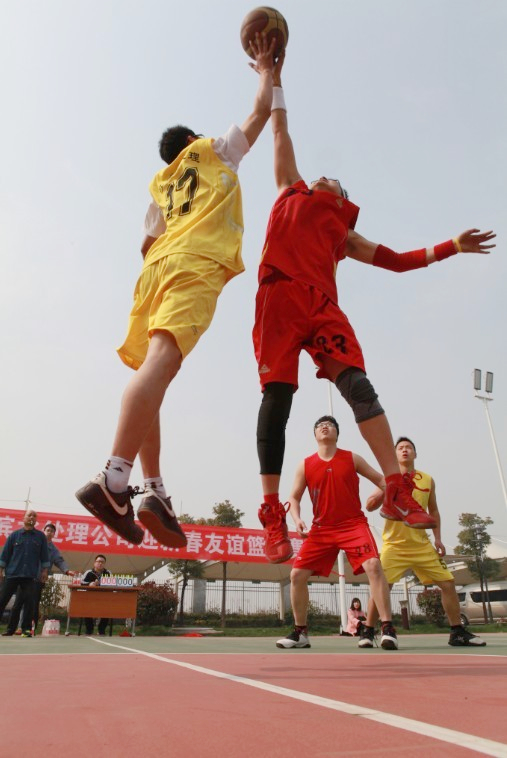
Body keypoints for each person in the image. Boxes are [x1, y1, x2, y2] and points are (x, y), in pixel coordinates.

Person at [254, 59, 496, 564]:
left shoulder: (344, 233)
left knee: (359, 388)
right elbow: (279, 129)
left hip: (323, 308)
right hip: (280, 296)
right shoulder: (290, 189)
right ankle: (273, 510)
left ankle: (396, 488)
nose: (324, 174)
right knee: (278, 396)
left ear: (343, 198)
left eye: (334, 179)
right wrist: (272, 78)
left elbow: (399, 261)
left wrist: (452, 246)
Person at [76, 34, 280, 548]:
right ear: (192, 139)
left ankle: (154, 490)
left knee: (153, 371)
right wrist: (265, 69)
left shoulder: (161, 184)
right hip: (193, 262)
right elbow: (260, 114)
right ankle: (113, 479)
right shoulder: (212, 151)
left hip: (154, 270)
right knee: (162, 364)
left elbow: (146, 243)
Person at [276, 416, 398, 651]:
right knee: (296, 575)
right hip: (321, 529)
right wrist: (297, 519)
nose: (325, 426)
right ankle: (300, 633)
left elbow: (382, 480)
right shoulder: (305, 465)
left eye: (330, 425)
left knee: (374, 565)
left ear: (337, 434)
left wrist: (386, 495)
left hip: (353, 525)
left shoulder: (352, 458)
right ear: (315, 435)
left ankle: (387, 629)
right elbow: (293, 497)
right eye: (319, 425)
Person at [361, 436, 486, 648]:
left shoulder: (427, 480)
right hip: (394, 546)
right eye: (400, 448)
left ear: (415, 454)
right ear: (395, 454)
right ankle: (368, 631)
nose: (404, 450)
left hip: (422, 546)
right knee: (381, 587)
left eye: (409, 447)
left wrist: (437, 538)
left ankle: (457, 632)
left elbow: (433, 510)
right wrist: (386, 490)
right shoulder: (388, 478)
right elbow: (370, 505)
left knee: (448, 583)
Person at [8, 522, 75, 635]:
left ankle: (29, 628)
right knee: (18, 603)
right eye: (47, 530)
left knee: (32, 605)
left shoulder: (53, 550)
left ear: (54, 534)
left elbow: (59, 561)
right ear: (43, 531)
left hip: (38, 580)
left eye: (52, 531)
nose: (49, 533)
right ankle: (11, 628)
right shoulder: (34, 542)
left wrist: (67, 571)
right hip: (24, 577)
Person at [0, 510, 50, 637]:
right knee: (2, 599)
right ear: (24, 518)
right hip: (12, 573)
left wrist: (44, 571)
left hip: (30, 575)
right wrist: (1, 569)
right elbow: (5, 554)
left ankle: (26, 629)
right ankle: (10, 630)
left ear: (36, 520)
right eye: (29, 515)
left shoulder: (40, 537)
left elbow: (44, 555)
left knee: (29, 603)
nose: (32, 517)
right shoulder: (14, 535)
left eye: (34, 516)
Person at [81, 554, 111, 636]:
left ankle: (101, 630)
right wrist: (89, 584)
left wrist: (101, 584)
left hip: (104, 598)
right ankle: (89, 630)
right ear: (94, 563)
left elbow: (112, 583)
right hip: (90, 598)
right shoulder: (89, 572)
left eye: (102, 562)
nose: (100, 563)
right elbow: (81, 582)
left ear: (104, 564)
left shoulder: (108, 573)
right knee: (86, 609)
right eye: (98, 561)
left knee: (108, 609)